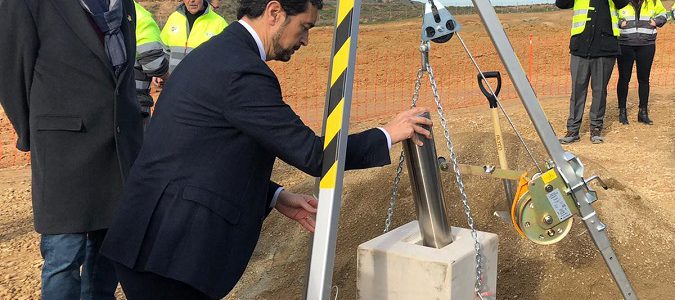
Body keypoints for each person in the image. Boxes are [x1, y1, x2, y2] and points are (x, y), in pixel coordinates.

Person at [100, 0, 433, 298]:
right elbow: (314, 154)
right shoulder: (242, 70)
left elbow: (203, 153)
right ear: (275, 12)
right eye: (304, 26)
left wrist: (274, 196)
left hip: (150, 244)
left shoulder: (215, 53)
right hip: (170, 255)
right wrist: (387, 134)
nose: (305, 40)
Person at [0, 0, 143, 299]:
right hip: (64, 152)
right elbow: (11, 71)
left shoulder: (122, 4)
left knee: (108, 253)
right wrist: (37, 133)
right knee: (64, 257)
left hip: (117, 148)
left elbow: (123, 74)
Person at [556, 0, 630, 144]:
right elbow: (561, 3)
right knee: (577, 91)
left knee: (599, 91)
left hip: (604, 48)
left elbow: (622, 3)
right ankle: (573, 130)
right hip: (580, 47)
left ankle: (596, 128)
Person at [614, 0, 668, 125]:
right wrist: (619, 23)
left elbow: (664, 14)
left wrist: (657, 21)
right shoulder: (620, 1)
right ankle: (622, 111)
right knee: (624, 78)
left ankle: (643, 112)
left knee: (644, 79)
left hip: (646, 44)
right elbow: (611, 15)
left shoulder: (653, 2)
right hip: (625, 44)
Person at [159, 0, 228, 79]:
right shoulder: (174, 18)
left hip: (201, 86)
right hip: (173, 84)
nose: (192, 1)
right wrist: (159, 73)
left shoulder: (219, 23)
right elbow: (163, 51)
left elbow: (225, 61)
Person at [135, 1, 169, 127]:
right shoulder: (138, 15)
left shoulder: (82, 9)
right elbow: (154, 63)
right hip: (133, 103)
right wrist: (167, 78)